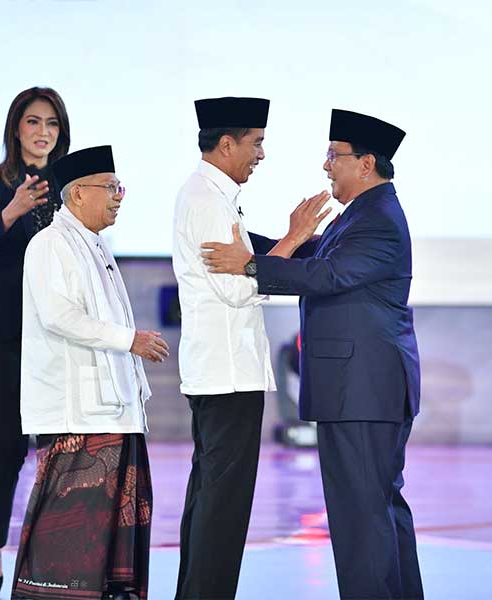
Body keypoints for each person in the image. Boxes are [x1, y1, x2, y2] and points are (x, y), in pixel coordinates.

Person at [202, 109, 424, 599]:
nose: (327, 166)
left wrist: (253, 266)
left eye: (333, 156)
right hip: (364, 391)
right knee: (379, 510)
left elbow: (327, 276)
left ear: (365, 163)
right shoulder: (365, 214)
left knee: (360, 517)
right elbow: (315, 256)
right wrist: (254, 242)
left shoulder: (379, 220)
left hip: (363, 391)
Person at [171, 96, 328, 600]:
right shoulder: (206, 200)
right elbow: (238, 286)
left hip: (223, 368)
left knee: (211, 495)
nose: (260, 154)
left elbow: (241, 268)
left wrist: (272, 250)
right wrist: (293, 238)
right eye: (255, 143)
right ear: (225, 144)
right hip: (227, 372)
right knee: (224, 501)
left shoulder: (212, 195)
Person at [11, 145, 169, 600]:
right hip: (74, 415)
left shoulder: (95, 245)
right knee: (68, 536)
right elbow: (59, 315)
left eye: (121, 187)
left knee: (119, 531)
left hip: (112, 410)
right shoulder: (49, 245)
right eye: (112, 188)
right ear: (78, 194)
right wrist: (130, 340)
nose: (119, 197)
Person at [0, 86, 70, 598]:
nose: (43, 132)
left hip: (57, 335)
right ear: (16, 129)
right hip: (5, 333)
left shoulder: (72, 185)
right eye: (33, 122)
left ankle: (48, 552)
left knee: (54, 446)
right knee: (7, 444)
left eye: (51, 123)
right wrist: (12, 209)